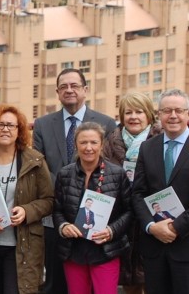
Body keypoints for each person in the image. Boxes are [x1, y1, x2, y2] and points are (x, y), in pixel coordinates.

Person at [32, 69, 118, 294]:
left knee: (93, 283)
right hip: (56, 214)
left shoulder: (107, 124)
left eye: (74, 86)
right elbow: (39, 167)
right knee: (55, 281)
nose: (69, 90)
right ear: (58, 92)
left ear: (85, 90)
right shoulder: (42, 125)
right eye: (63, 87)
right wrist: (63, 192)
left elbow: (109, 169)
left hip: (96, 217)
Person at [130, 90, 189, 294]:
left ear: (188, 113)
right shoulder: (147, 148)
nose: (173, 116)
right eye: (167, 110)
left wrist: (174, 228)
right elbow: (137, 193)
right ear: (159, 115)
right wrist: (151, 227)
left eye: (178, 110)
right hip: (154, 245)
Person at [0, 105, 54, 294]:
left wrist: (27, 211)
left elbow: (49, 200)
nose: (5, 129)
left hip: (23, 248)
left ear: (19, 130)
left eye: (11, 125)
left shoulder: (35, 161)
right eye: (0, 124)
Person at [53, 123, 132, 294]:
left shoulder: (117, 174)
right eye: (83, 142)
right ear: (76, 145)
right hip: (74, 251)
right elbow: (57, 210)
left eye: (94, 142)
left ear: (102, 145)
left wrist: (111, 231)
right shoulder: (64, 174)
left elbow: (129, 211)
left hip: (106, 250)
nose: (88, 148)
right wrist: (63, 226)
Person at [110, 91, 158, 294]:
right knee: (130, 279)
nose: (133, 117)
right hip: (122, 219)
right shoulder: (110, 142)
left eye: (139, 112)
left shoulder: (161, 139)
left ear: (148, 115)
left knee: (154, 277)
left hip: (153, 216)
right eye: (128, 112)